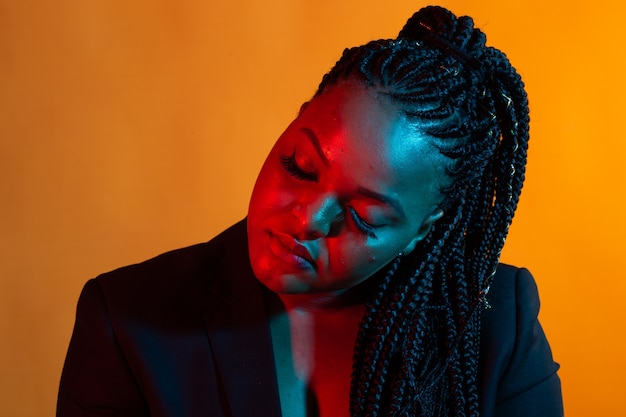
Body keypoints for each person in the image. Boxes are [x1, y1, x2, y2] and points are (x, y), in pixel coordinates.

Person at [57, 5, 563, 417]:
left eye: (364, 217)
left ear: (421, 231)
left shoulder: (497, 324)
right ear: (295, 122)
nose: (306, 220)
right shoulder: (127, 319)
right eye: (299, 167)